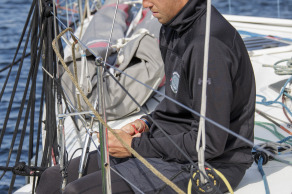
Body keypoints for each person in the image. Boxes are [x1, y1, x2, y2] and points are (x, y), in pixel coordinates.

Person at [36, 0, 255, 193]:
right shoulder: (172, 28)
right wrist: (145, 123)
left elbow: (208, 145)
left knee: (78, 191)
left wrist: (133, 147)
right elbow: (178, 101)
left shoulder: (207, 46)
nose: (145, 4)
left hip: (212, 165)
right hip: (171, 145)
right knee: (51, 179)